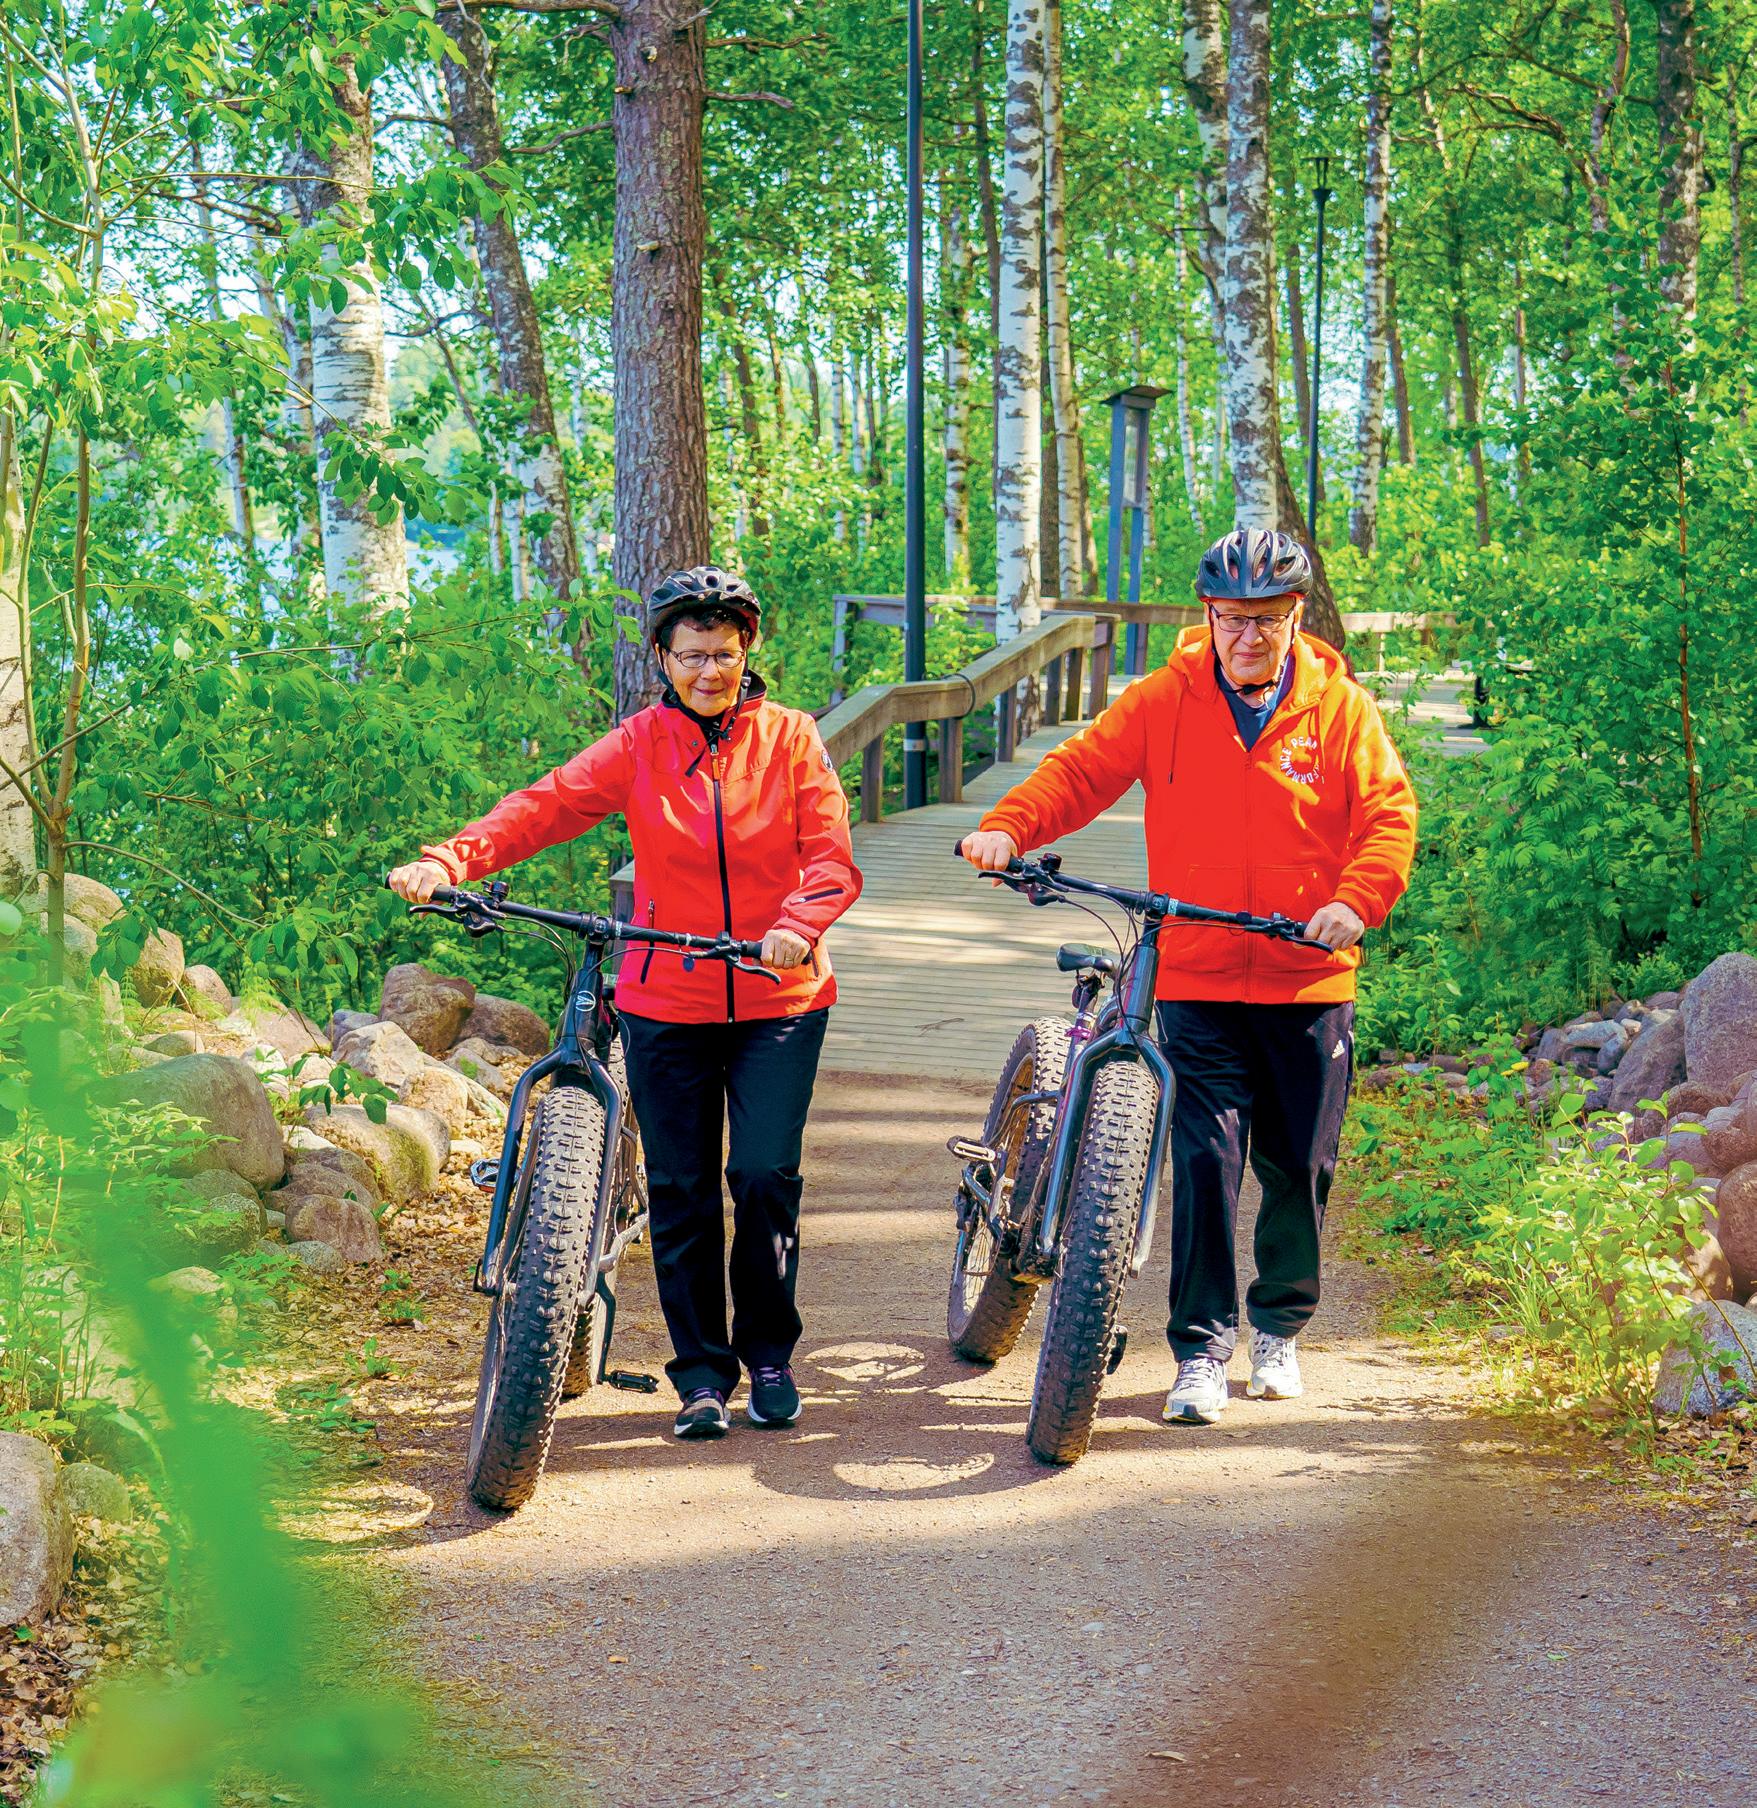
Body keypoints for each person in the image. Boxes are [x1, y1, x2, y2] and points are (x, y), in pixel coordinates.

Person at [389, 566, 862, 1440]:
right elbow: (546, 806)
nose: (709, 671)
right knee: (681, 1189)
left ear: (747, 652)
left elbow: (829, 853)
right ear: (662, 658)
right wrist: (451, 859)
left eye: (723, 654)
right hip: (666, 999)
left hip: (778, 995)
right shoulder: (641, 742)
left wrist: (797, 924)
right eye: (692, 656)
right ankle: (702, 1377)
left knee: (762, 1177)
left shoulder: (791, 738)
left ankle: (768, 1358)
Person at [960, 528, 1416, 1425]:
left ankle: (1277, 1328)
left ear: (1295, 616)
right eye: (1231, 618)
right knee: (1205, 1165)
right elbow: (1079, 771)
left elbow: (1387, 816)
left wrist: (1354, 901)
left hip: (1306, 978)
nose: (1248, 636)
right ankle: (1201, 1349)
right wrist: (1010, 827)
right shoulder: (1164, 698)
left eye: (1266, 619)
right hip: (1196, 972)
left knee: (1299, 1169)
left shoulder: (1339, 711)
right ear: (1207, 616)